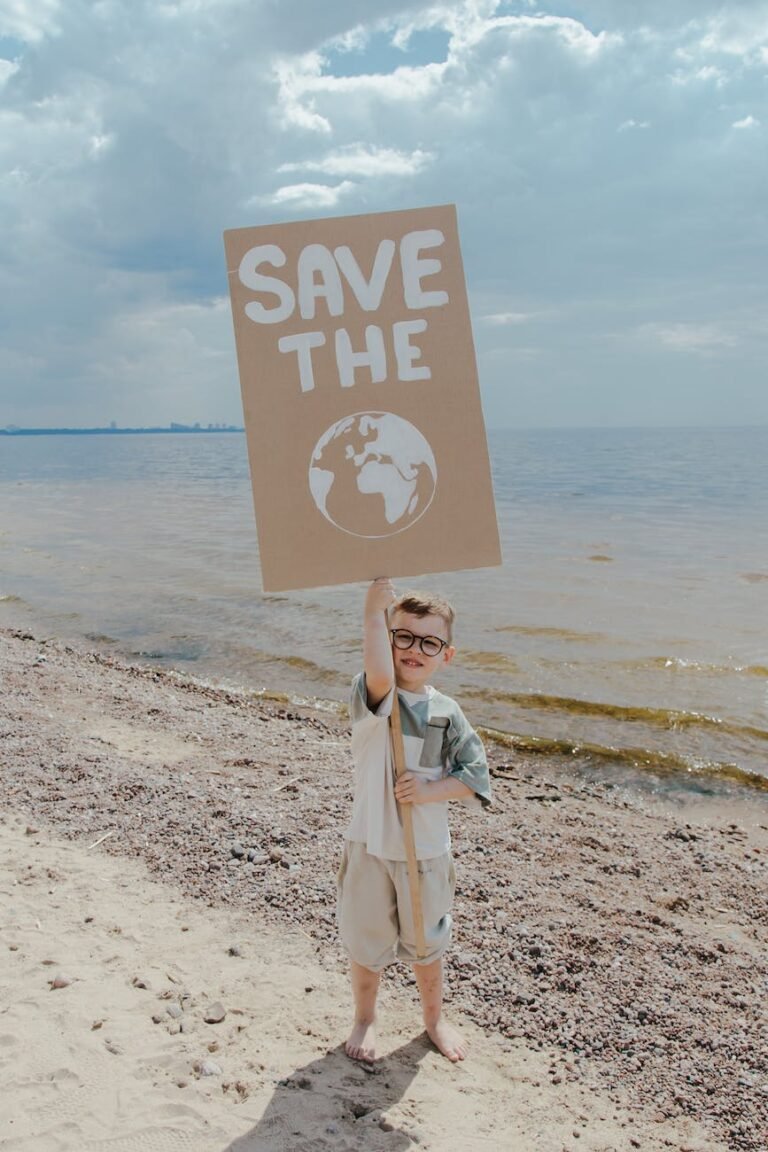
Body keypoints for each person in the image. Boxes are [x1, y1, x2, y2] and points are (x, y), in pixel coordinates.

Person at [337, 576, 492, 1064]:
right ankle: (365, 1016)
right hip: (369, 846)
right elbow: (380, 671)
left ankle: (433, 1020)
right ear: (388, 641)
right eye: (403, 636)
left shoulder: (447, 713)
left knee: (427, 945)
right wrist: (371, 613)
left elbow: (474, 777)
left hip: (424, 852)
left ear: (446, 654)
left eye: (429, 642)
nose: (414, 649)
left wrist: (429, 790)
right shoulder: (373, 697)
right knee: (367, 943)